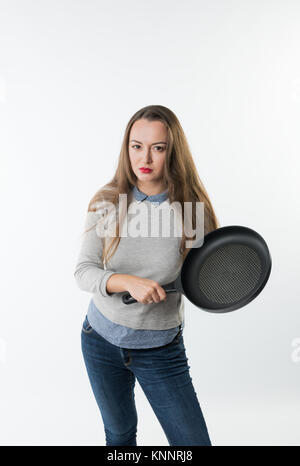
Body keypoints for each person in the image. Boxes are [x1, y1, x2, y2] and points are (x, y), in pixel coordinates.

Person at [74, 105, 220, 446]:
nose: (146, 158)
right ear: (127, 148)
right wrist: (127, 281)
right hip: (99, 339)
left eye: (159, 147)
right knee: (120, 434)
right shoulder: (107, 201)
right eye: (136, 145)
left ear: (173, 152)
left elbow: (209, 278)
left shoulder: (192, 209)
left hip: (160, 349)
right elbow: (84, 272)